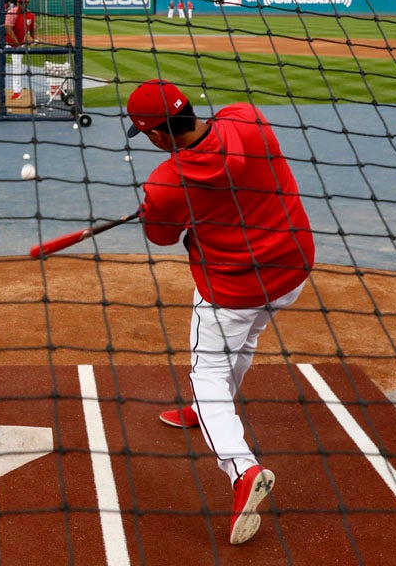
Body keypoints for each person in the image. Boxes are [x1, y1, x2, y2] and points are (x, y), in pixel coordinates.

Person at [124, 79, 315, 546]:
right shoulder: (247, 118)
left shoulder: (167, 182)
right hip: (291, 268)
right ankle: (207, 412)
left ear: (159, 136)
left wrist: (154, 208)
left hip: (232, 287)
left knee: (207, 369)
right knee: (246, 341)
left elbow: (164, 236)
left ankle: (242, 471)